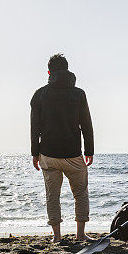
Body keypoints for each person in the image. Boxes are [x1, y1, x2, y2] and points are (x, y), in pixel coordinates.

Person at [30, 54, 94, 242]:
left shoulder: (39, 94)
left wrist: (35, 153)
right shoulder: (79, 94)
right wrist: (89, 150)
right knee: (81, 193)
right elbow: (86, 124)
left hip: (48, 154)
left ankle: (57, 237)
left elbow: (35, 127)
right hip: (73, 154)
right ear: (67, 70)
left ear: (49, 72)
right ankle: (80, 235)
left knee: (52, 195)